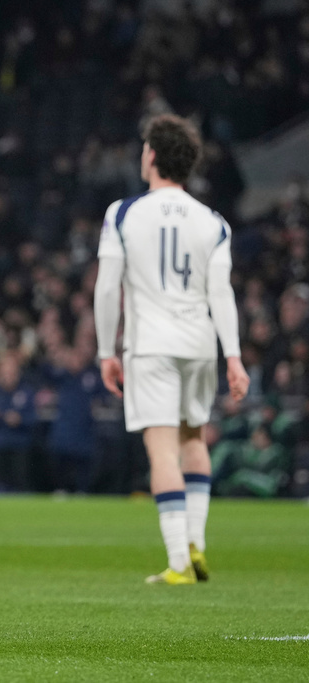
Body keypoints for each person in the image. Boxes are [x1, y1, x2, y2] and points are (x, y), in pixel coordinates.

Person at [94, 114, 250, 585]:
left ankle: (179, 561)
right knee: (193, 439)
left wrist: (106, 350)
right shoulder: (213, 222)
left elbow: (107, 288)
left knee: (162, 451)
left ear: (153, 156)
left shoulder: (123, 212)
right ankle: (197, 543)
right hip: (200, 343)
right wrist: (235, 356)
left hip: (151, 346)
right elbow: (221, 293)